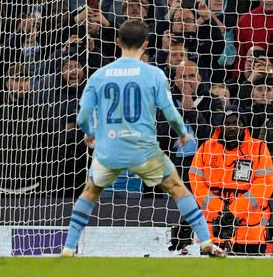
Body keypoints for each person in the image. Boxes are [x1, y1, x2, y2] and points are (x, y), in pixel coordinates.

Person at [60, 20, 225, 258]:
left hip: (109, 150)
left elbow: (83, 115)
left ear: (118, 42)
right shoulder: (154, 74)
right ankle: (206, 242)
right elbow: (171, 112)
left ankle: (68, 248)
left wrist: (89, 133)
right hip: (144, 151)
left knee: (89, 193)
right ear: (146, 44)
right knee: (179, 189)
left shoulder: (99, 75)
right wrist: (183, 133)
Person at [189, 106, 273, 255]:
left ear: (244, 126)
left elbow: (264, 185)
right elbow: (197, 184)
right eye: (227, 123)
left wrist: (235, 211)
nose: (231, 127)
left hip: (250, 231)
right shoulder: (206, 148)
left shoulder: (259, 148)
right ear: (221, 126)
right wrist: (220, 209)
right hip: (213, 229)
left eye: (236, 123)